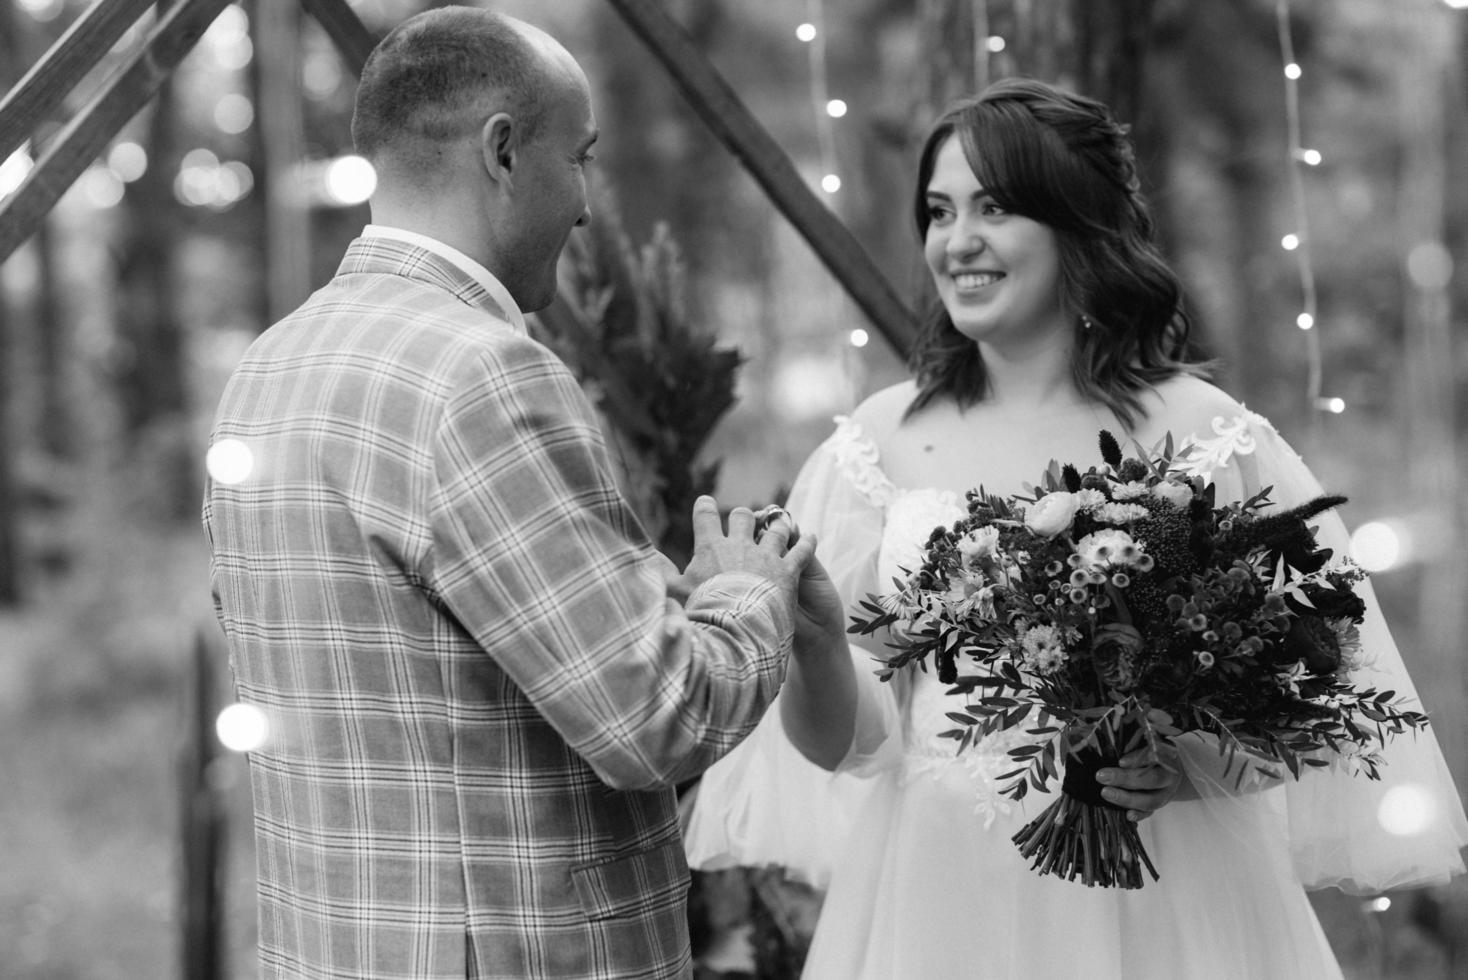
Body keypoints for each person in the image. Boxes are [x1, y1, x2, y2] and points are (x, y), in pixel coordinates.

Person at [684, 77, 1468, 978]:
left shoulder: (1206, 435)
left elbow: (1311, 694)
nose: (958, 241)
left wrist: (1189, 760)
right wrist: (817, 647)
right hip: (943, 899)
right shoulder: (873, 446)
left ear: (1076, 223)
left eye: (996, 207)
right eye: (939, 212)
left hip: (1173, 896)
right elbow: (845, 744)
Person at [202, 8, 838, 979]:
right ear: (503, 151)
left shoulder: (269, 366)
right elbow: (652, 715)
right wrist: (745, 588)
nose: (586, 203)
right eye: (577, 156)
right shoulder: (483, 376)